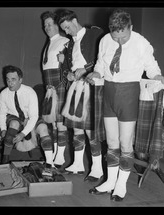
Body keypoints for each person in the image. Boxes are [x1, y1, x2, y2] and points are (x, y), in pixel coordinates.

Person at [86, 9, 164, 201]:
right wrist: (96, 73)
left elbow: (152, 66)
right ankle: (110, 182)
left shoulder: (141, 43)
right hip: (108, 93)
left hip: (129, 94)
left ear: (131, 27)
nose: (120, 41)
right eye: (116, 37)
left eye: (124, 37)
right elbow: (99, 64)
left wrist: (157, 76)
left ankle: (121, 186)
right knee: (112, 143)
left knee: (125, 143)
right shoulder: (105, 40)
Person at [57, 9, 105, 181]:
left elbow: (103, 60)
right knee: (77, 128)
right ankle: (77, 164)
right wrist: (69, 74)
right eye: (64, 29)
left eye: (68, 27)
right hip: (76, 88)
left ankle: (97, 169)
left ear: (75, 20)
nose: (67, 32)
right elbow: (68, 68)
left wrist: (84, 69)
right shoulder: (70, 44)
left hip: (92, 87)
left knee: (91, 131)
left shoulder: (96, 34)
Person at [0, 65, 55, 167]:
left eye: (13, 79)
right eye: (8, 80)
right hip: (15, 117)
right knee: (14, 123)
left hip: (30, 117)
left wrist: (23, 134)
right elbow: (1, 114)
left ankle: (50, 163)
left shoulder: (30, 92)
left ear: (20, 80)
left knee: (43, 128)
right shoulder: (3, 94)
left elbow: (33, 117)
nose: (10, 83)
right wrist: (3, 129)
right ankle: (4, 161)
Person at [40, 11, 70, 169]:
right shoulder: (49, 43)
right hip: (49, 86)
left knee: (60, 124)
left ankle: (60, 156)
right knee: (53, 124)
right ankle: (57, 155)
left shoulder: (65, 41)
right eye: (45, 25)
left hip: (59, 85)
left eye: (50, 24)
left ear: (58, 25)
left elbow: (69, 65)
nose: (47, 27)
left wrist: (65, 61)